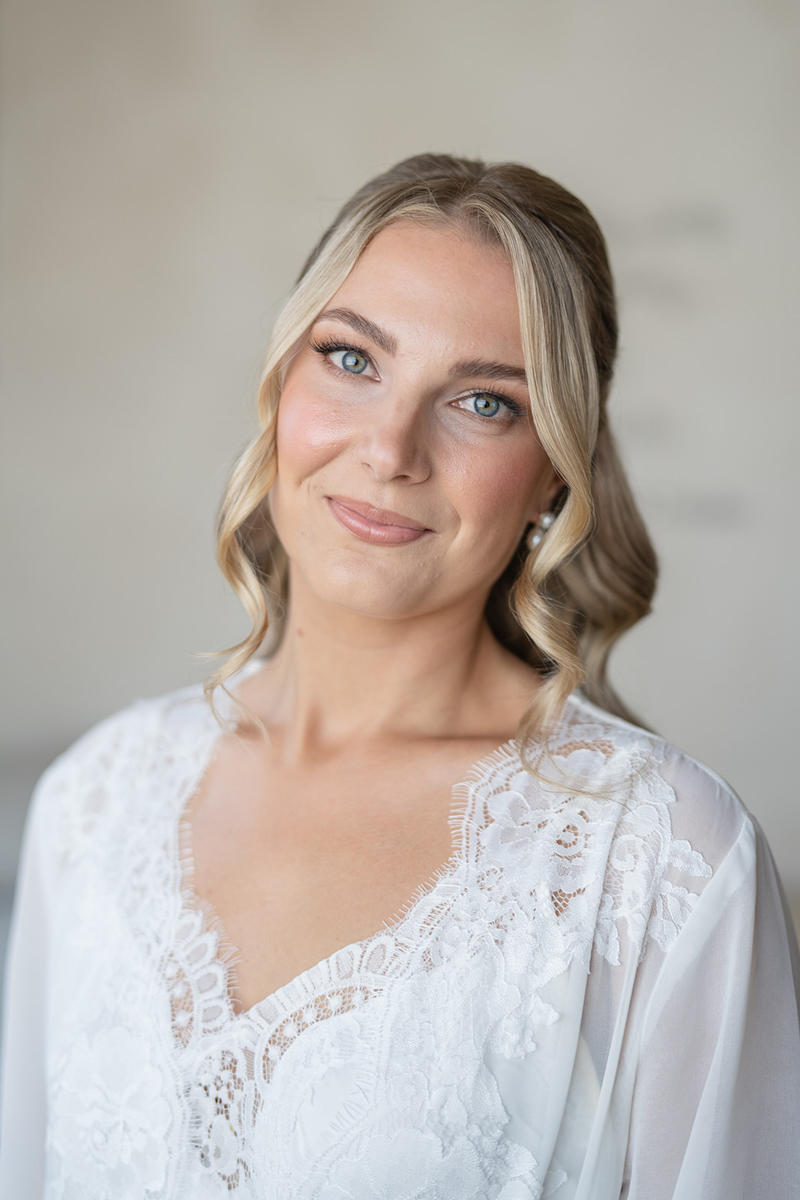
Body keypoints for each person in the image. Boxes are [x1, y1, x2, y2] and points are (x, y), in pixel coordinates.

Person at [1, 154, 798, 1199]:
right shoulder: (93, 802)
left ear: (553, 471)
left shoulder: (658, 858)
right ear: (281, 382)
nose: (388, 449)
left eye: (481, 402)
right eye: (350, 359)